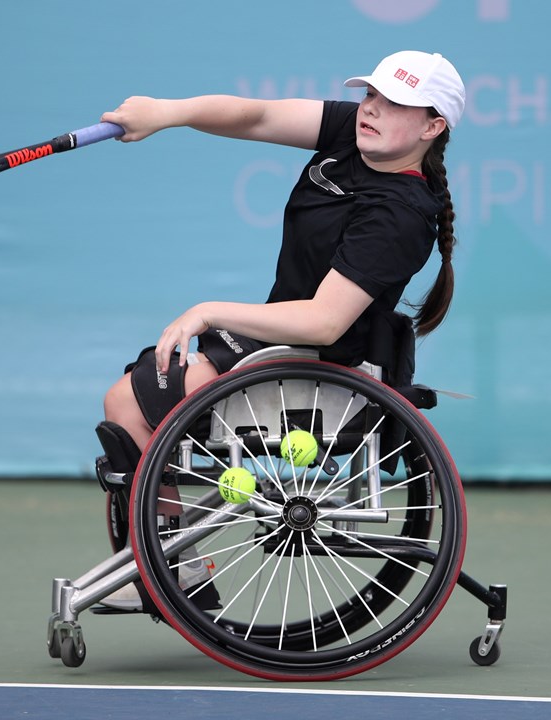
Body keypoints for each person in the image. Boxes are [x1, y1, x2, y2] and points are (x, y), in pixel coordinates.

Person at [93, 50, 465, 610]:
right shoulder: (353, 132)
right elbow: (256, 116)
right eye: (372, 95)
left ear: (432, 127)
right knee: (127, 402)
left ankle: (164, 570)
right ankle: (167, 566)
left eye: (395, 104)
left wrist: (210, 310)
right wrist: (167, 113)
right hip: (277, 338)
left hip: (320, 360)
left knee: (135, 401)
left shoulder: (400, 213)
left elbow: (324, 319)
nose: (373, 109)